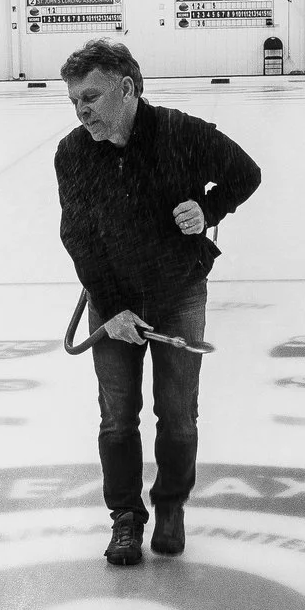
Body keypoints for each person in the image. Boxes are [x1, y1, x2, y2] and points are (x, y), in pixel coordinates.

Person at [55, 38, 261, 567]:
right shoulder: (74, 152)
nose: (82, 110)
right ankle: (126, 518)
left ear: (127, 89)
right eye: (75, 99)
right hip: (112, 301)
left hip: (178, 294)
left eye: (92, 97)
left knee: (178, 416)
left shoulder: (181, 133)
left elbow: (246, 174)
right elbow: (78, 235)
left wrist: (209, 208)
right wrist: (114, 307)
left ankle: (170, 507)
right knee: (118, 419)